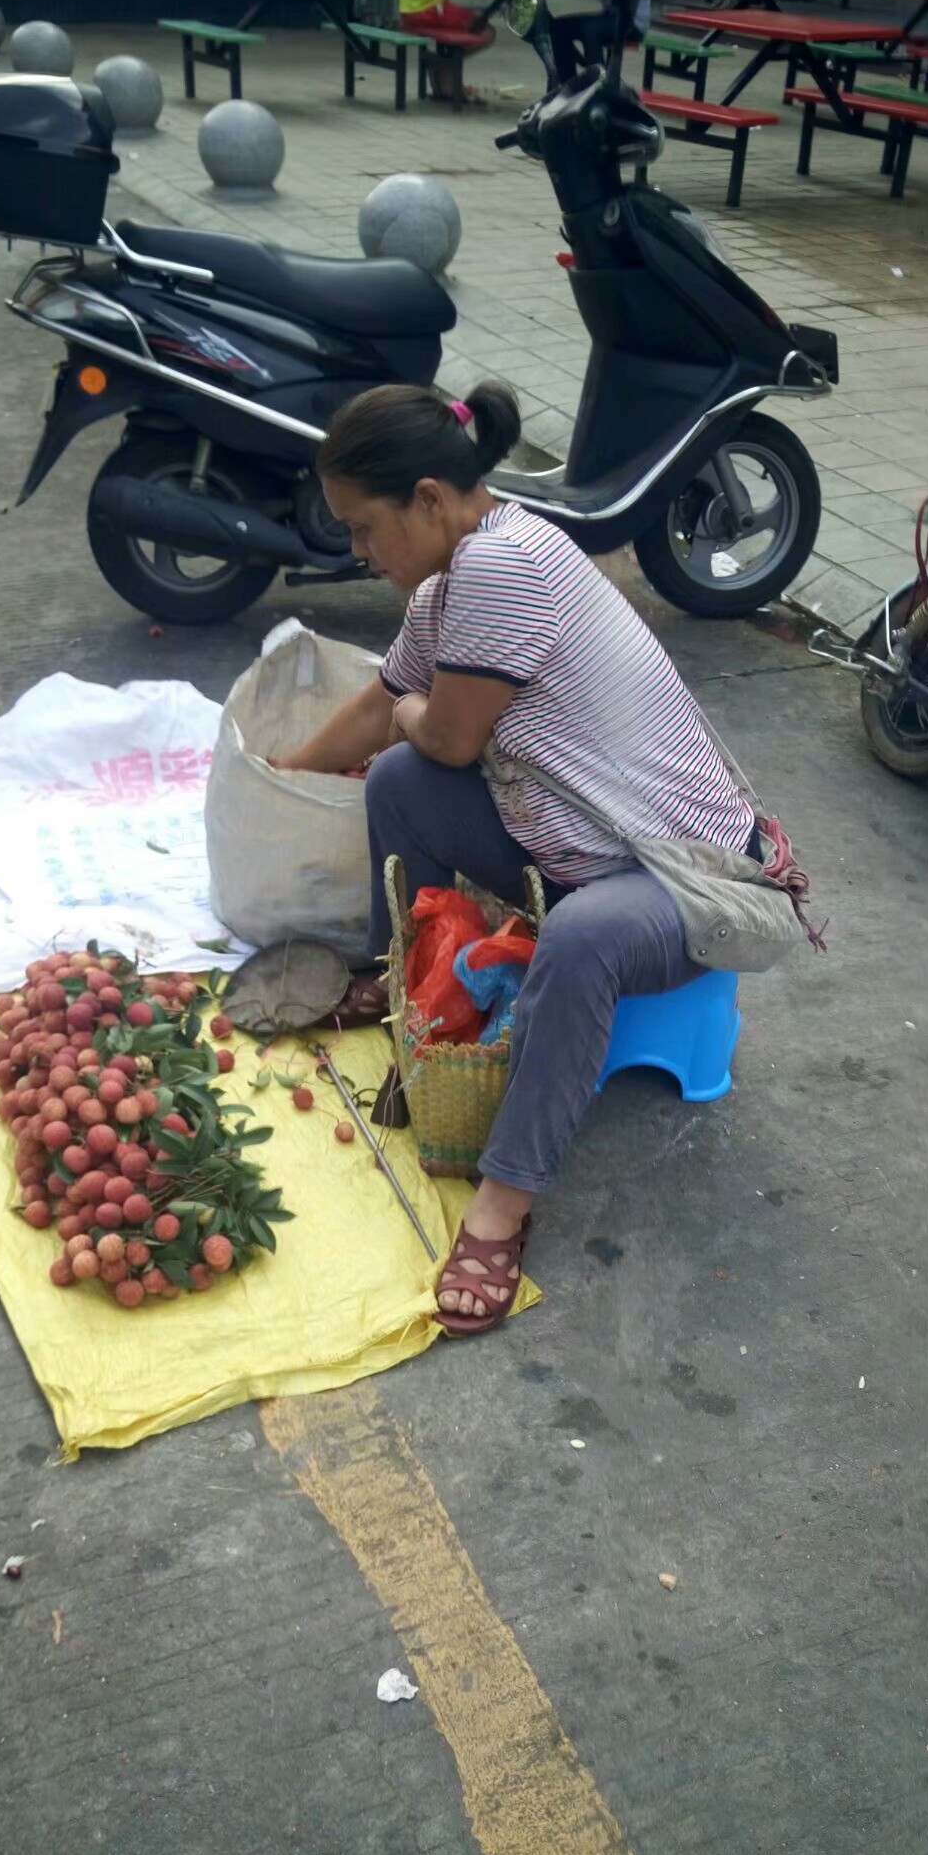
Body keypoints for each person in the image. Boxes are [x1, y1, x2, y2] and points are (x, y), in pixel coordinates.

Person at [272, 381, 762, 1339]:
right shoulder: (450, 577)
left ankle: (503, 1204)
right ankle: (401, 981)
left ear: (427, 499)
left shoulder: (505, 565)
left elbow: (445, 735)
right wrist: (278, 773)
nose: (356, 551)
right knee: (394, 786)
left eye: (363, 528)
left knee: (575, 934)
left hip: (686, 879)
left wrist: (415, 720)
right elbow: (384, 707)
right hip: (580, 840)